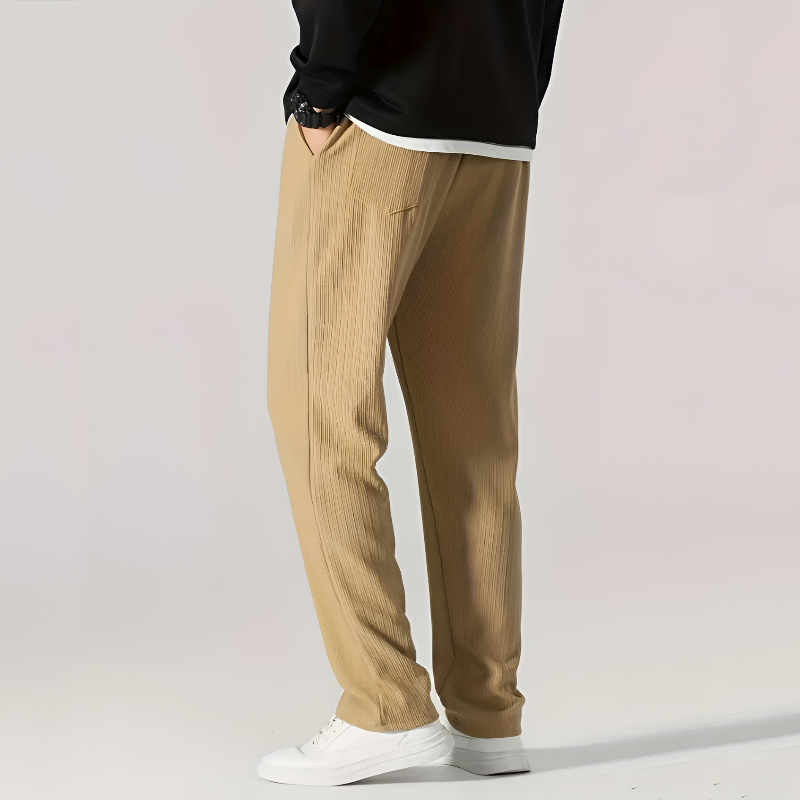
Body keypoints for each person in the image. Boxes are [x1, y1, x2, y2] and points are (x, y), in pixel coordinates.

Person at [258, 0, 564, 786]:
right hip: (493, 127)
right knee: (474, 432)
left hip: (377, 117)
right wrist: (514, 87)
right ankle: (487, 712)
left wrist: (319, 92)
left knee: (321, 413)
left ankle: (384, 706)